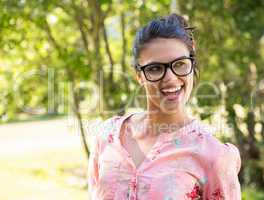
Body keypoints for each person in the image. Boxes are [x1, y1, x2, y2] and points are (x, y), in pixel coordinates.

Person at [88, 13, 241, 200]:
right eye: (155, 68)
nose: (170, 78)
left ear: (191, 65)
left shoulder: (213, 156)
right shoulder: (107, 136)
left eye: (180, 64)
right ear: (139, 75)